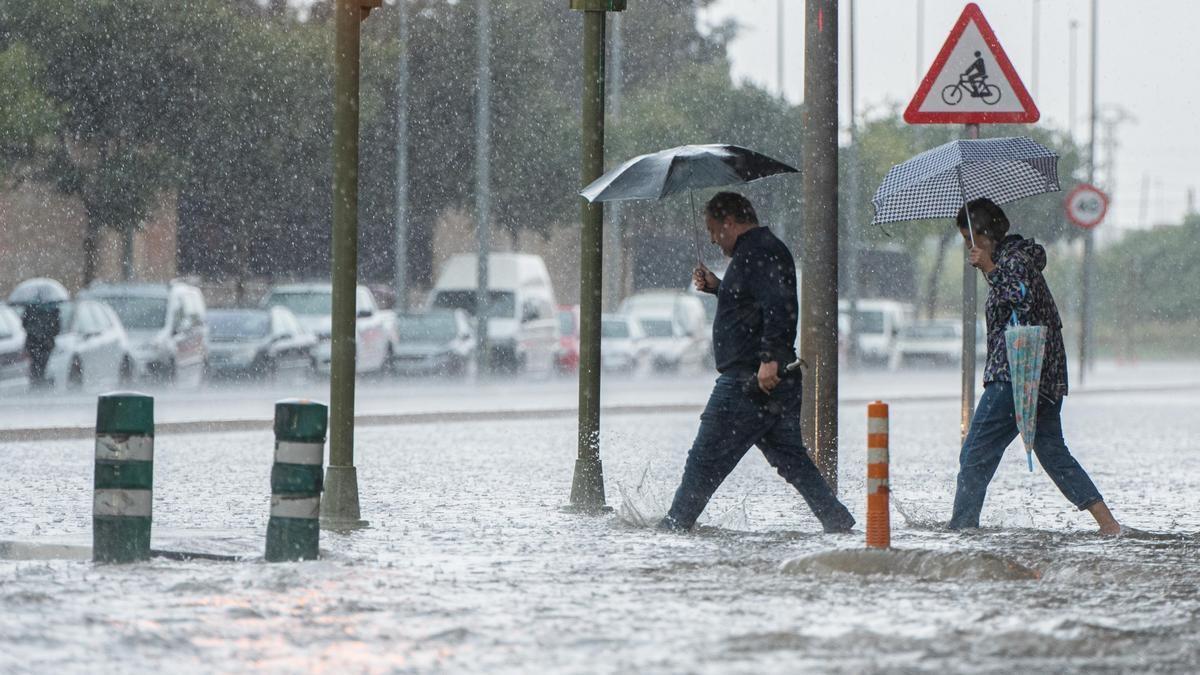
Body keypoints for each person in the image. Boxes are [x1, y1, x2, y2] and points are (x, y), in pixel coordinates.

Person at [658, 192, 855, 533]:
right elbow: (754, 303)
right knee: (792, 461)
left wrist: (769, 359)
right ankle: (837, 521)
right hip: (768, 382)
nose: (711, 238)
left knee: (704, 459)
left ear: (729, 223)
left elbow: (778, 307)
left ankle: (674, 526)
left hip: (751, 381)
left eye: (713, 230)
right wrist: (719, 287)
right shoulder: (755, 253)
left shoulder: (759, 251)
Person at [950, 198, 1121, 535]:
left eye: (969, 239)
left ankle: (962, 530)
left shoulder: (1012, 262)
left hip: (1015, 374)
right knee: (1053, 452)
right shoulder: (1020, 257)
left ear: (984, 234)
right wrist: (990, 269)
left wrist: (989, 269)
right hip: (1044, 375)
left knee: (975, 455)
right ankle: (1110, 526)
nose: (968, 246)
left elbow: (1021, 300)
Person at [21, 300, 61, 387]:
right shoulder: (53, 309)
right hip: (46, 343)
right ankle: (42, 382)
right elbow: (57, 329)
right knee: (44, 364)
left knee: (35, 364)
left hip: (33, 342)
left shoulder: (30, 308)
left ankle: (36, 382)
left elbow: (24, 325)